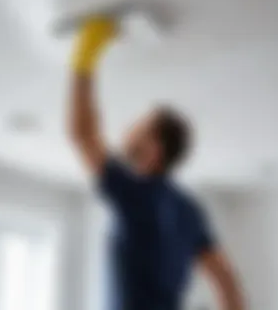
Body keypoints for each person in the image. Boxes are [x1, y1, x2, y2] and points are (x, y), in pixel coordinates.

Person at [68, 17, 244, 310]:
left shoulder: (134, 191)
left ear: (154, 149)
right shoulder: (190, 209)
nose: (130, 128)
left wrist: (86, 53)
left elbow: (83, 134)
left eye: (140, 125)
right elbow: (226, 280)